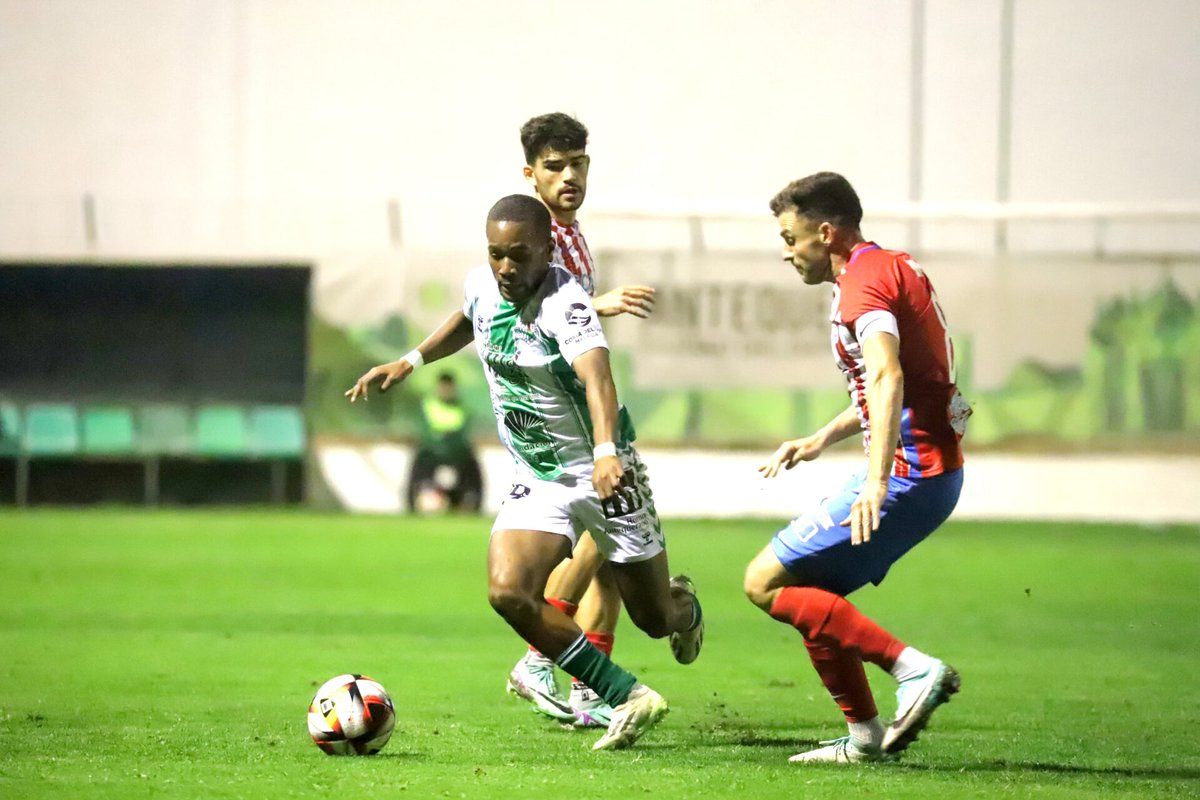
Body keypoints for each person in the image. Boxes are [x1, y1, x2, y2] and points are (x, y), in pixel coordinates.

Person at [346, 194, 703, 751]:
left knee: (655, 619)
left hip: (602, 471)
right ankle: (627, 695)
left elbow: (598, 380)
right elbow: (468, 319)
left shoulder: (568, 303)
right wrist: (409, 360)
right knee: (509, 591)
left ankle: (686, 608)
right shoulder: (483, 284)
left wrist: (608, 451)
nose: (506, 268)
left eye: (518, 255)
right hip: (537, 477)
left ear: (546, 248)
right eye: (496, 255)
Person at [744, 172, 971, 764]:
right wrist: (822, 436)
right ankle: (865, 738)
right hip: (931, 471)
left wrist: (874, 480)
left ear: (826, 232)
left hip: (908, 472)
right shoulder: (891, 265)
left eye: (791, 238)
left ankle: (912, 669)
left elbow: (888, 374)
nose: (787, 252)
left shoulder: (860, 286)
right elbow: (897, 384)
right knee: (813, 593)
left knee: (763, 581)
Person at [504, 112, 657, 729]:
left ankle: (593, 689)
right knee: (615, 522)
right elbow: (519, 309)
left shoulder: (571, 230)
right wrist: (602, 302)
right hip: (561, 420)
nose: (570, 177)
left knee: (619, 553)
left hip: (587, 408)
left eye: (579, 165)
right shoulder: (528, 236)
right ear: (530, 173)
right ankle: (539, 655)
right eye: (555, 166)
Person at [406, 372, 483, 513]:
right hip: (430, 452)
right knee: (418, 463)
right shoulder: (426, 405)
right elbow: (425, 431)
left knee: (473, 468)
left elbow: (463, 432)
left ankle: (473, 505)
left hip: (457, 453)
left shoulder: (462, 408)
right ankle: (412, 506)